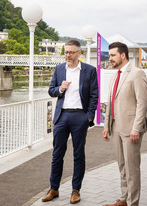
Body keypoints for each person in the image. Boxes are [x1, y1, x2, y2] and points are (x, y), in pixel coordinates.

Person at [42, 39, 98, 204]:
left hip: (80, 117)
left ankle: (76, 190)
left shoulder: (89, 70)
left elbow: (94, 95)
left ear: (79, 53)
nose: (68, 55)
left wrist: (89, 116)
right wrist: (60, 89)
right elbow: (51, 90)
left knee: (78, 155)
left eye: (71, 52)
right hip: (62, 116)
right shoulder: (59, 69)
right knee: (57, 154)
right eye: (66, 52)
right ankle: (54, 188)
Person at [102, 42, 147, 206]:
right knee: (122, 166)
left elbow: (143, 103)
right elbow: (110, 101)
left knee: (132, 168)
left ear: (123, 55)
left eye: (113, 55)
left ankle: (133, 202)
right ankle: (123, 199)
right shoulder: (115, 75)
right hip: (115, 127)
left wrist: (137, 127)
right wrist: (106, 125)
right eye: (109, 55)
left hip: (131, 128)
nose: (111, 58)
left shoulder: (137, 73)